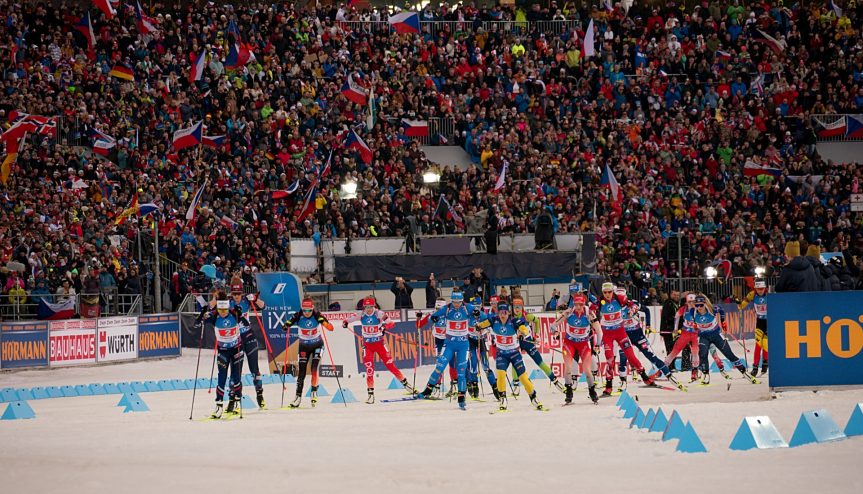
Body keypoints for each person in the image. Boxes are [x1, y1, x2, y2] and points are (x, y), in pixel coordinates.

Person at [343, 296, 413, 404]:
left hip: (380, 344)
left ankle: (406, 385)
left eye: (371, 307)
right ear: (364, 307)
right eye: (366, 307)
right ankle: (370, 395)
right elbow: (348, 319)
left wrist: (384, 327)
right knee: (369, 370)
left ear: (374, 306)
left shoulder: (379, 314)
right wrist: (345, 322)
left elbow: (391, 323)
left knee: (391, 366)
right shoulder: (361, 314)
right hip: (368, 346)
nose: (369, 309)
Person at [476, 303, 546, 411]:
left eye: (505, 313)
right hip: (502, 354)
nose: (502, 315)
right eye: (500, 313)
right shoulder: (494, 320)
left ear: (508, 313)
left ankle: (533, 397)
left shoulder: (514, 322)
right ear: (498, 313)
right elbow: (482, 324)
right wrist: (478, 326)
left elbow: (524, 328)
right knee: (500, 374)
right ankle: (503, 399)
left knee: (523, 377)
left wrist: (523, 332)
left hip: (514, 353)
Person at [417, 292, 477, 410]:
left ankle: (461, 397)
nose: (456, 304)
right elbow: (432, 317)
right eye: (454, 302)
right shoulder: (447, 308)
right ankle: (427, 391)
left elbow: (483, 316)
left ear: (461, 301)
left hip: (463, 346)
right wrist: (432, 318)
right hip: (448, 344)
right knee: (439, 367)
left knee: (461, 371)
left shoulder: (467, 307)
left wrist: (478, 314)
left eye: (458, 302)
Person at [597, 282, 654, 395]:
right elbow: (590, 310)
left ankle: (645, 377)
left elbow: (633, 305)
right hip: (607, 334)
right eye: (605, 292)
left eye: (609, 292)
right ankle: (608, 386)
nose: (607, 294)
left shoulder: (619, 298)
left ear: (613, 291)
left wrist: (632, 310)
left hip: (620, 332)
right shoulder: (599, 301)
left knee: (631, 356)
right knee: (610, 360)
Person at [691, 294, 758, 385]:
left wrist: (723, 321)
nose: (699, 307)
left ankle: (744, 372)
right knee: (703, 354)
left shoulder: (712, 309)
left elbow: (722, 310)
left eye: (701, 305)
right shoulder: (693, 312)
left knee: (729, 354)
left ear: (704, 303)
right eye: (697, 305)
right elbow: (687, 320)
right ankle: (706, 375)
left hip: (716, 335)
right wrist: (693, 325)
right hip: (704, 336)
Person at [199, 292, 247, 419]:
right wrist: (202, 314)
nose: (223, 312)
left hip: (237, 349)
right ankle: (219, 405)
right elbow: (198, 322)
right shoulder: (214, 316)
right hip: (223, 351)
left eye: (225, 309)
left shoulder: (234, 313)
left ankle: (237, 402)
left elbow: (246, 323)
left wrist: (240, 313)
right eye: (220, 309)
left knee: (236, 377)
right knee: (222, 377)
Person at [618, 301, 685, 391]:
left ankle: (669, 376)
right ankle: (624, 382)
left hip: (638, 335)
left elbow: (646, 310)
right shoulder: (613, 306)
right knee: (623, 357)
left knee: (652, 357)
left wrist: (648, 325)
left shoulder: (633, 303)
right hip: (623, 336)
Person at [283, 298, 334, 408]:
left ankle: (314, 391)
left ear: (312, 309)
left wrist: (323, 322)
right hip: (303, 347)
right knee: (301, 373)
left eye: (309, 311)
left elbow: (331, 328)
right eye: (305, 310)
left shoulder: (316, 315)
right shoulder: (298, 315)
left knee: (314, 368)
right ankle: (297, 397)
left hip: (317, 345)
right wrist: (286, 325)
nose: (307, 313)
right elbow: (289, 322)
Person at [551, 293, 600, 404]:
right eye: (576, 304)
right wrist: (555, 332)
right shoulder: (568, 313)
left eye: (580, 304)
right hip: (569, 343)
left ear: (584, 304)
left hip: (583, 344)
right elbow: (553, 325)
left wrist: (598, 344)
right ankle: (569, 392)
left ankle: (592, 391)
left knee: (587, 370)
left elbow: (599, 331)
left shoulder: (589, 314)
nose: (578, 307)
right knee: (568, 368)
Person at [510, 296, 564, 394]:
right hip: (517, 343)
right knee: (515, 363)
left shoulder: (527, 316)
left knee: (540, 362)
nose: (517, 309)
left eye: (519, 306)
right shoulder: (510, 318)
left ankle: (555, 381)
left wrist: (537, 334)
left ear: (522, 307)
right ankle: (516, 385)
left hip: (528, 342)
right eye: (515, 307)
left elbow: (537, 321)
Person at [229, 280, 267, 408]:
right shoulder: (228, 303)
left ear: (242, 292)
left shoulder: (246, 300)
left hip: (249, 337)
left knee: (254, 368)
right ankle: (232, 398)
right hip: (235, 340)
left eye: (238, 293)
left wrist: (255, 299)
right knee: (235, 371)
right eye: (234, 294)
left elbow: (263, 306)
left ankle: (260, 395)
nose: (237, 296)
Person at [418, 298, 457, 398]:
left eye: (440, 308)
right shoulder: (433, 314)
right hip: (439, 341)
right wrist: (419, 318)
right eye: (436, 308)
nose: (437, 310)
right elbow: (419, 325)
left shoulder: (449, 313)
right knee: (439, 364)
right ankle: (436, 387)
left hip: (449, 340)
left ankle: (454, 387)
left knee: (452, 363)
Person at [466, 295, 499, 400]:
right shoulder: (468, 314)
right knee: (473, 364)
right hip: (471, 341)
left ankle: (495, 387)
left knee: (485, 366)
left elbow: (491, 323)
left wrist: (485, 329)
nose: (476, 310)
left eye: (478, 307)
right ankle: (474, 386)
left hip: (481, 341)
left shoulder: (484, 315)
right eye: (474, 307)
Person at [738, 280, 769, 376]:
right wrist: (739, 304)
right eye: (758, 289)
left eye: (761, 289)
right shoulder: (752, 294)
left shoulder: (769, 294)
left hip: (769, 322)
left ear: (765, 288)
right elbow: (743, 304)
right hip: (759, 322)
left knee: (765, 344)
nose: (760, 291)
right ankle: (755, 367)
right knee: (758, 344)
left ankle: (765, 363)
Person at [660, 289, 681, 370]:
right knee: (670, 349)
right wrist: (677, 320)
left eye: (678, 295)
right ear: (671, 295)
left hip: (672, 330)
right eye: (675, 295)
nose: (676, 297)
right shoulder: (668, 303)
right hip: (668, 330)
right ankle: (670, 367)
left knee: (673, 349)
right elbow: (668, 317)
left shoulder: (675, 303)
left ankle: (672, 366)